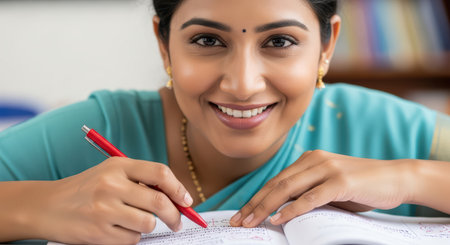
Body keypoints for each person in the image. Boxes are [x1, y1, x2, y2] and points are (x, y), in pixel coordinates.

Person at [1, 0, 449, 244]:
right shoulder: (105, 124)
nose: (242, 84)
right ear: (164, 48)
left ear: (326, 46)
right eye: (207, 39)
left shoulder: (390, 128)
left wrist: (414, 177)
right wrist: (39, 205)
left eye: (279, 41)